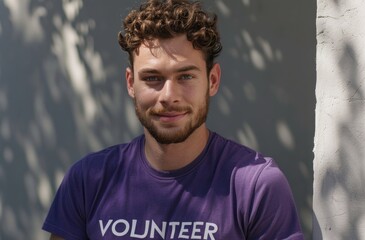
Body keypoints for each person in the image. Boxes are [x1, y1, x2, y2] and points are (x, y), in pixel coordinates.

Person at [42, 0, 304, 239]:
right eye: (152, 78)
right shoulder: (87, 180)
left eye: (186, 76)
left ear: (212, 81)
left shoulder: (256, 185)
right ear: (131, 83)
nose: (169, 96)